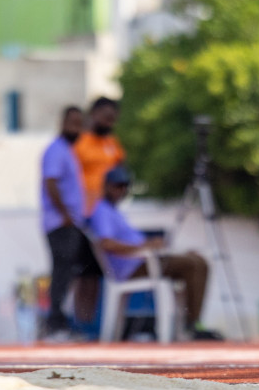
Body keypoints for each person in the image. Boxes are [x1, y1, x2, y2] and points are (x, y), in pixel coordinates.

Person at [87, 166, 211, 335]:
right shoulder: (102, 211)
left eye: (125, 186)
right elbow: (106, 244)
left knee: (197, 260)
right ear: (106, 186)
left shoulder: (115, 211)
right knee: (193, 264)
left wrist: (152, 246)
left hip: (145, 259)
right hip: (134, 267)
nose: (121, 190)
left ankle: (190, 324)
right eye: (117, 185)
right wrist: (145, 247)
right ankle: (191, 326)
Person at [41, 106, 97, 338]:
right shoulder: (56, 150)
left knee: (83, 270)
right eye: (72, 123)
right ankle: (55, 324)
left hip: (72, 222)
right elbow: (51, 182)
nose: (76, 128)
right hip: (60, 223)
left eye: (79, 123)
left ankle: (76, 322)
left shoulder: (69, 151)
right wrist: (64, 214)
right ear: (62, 123)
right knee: (62, 272)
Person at [76, 97, 125, 209]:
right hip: (83, 207)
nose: (109, 124)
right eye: (107, 118)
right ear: (94, 114)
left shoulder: (111, 142)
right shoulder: (78, 142)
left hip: (107, 206)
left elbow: (121, 169)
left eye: (112, 120)